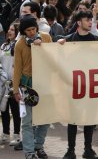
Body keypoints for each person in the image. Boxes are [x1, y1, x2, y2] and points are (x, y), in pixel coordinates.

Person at [58, 10, 98, 159]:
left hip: (90, 87)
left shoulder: (96, 40)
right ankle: (71, 150)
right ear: (78, 23)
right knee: (73, 120)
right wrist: (58, 45)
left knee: (89, 120)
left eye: (91, 19)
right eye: (87, 19)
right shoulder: (67, 41)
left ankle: (88, 149)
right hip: (73, 87)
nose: (90, 22)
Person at [13, 15, 52, 159]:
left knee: (46, 118)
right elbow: (17, 68)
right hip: (27, 84)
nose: (31, 32)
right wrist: (16, 89)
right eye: (28, 30)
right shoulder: (20, 44)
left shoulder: (46, 37)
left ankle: (39, 145)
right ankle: (29, 152)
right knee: (27, 121)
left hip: (44, 82)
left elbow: (54, 56)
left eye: (33, 29)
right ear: (23, 31)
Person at [0, 22, 21, 146]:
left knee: (15, 110)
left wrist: (15, 79)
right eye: (9, 29)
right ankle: (5, 133)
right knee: (4, 110)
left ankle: (17, 135)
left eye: (12, 29)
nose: (9, 31)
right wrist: (3, 76)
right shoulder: (3, 46)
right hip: (4, 83)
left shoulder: (19, 46)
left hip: (15, 84)